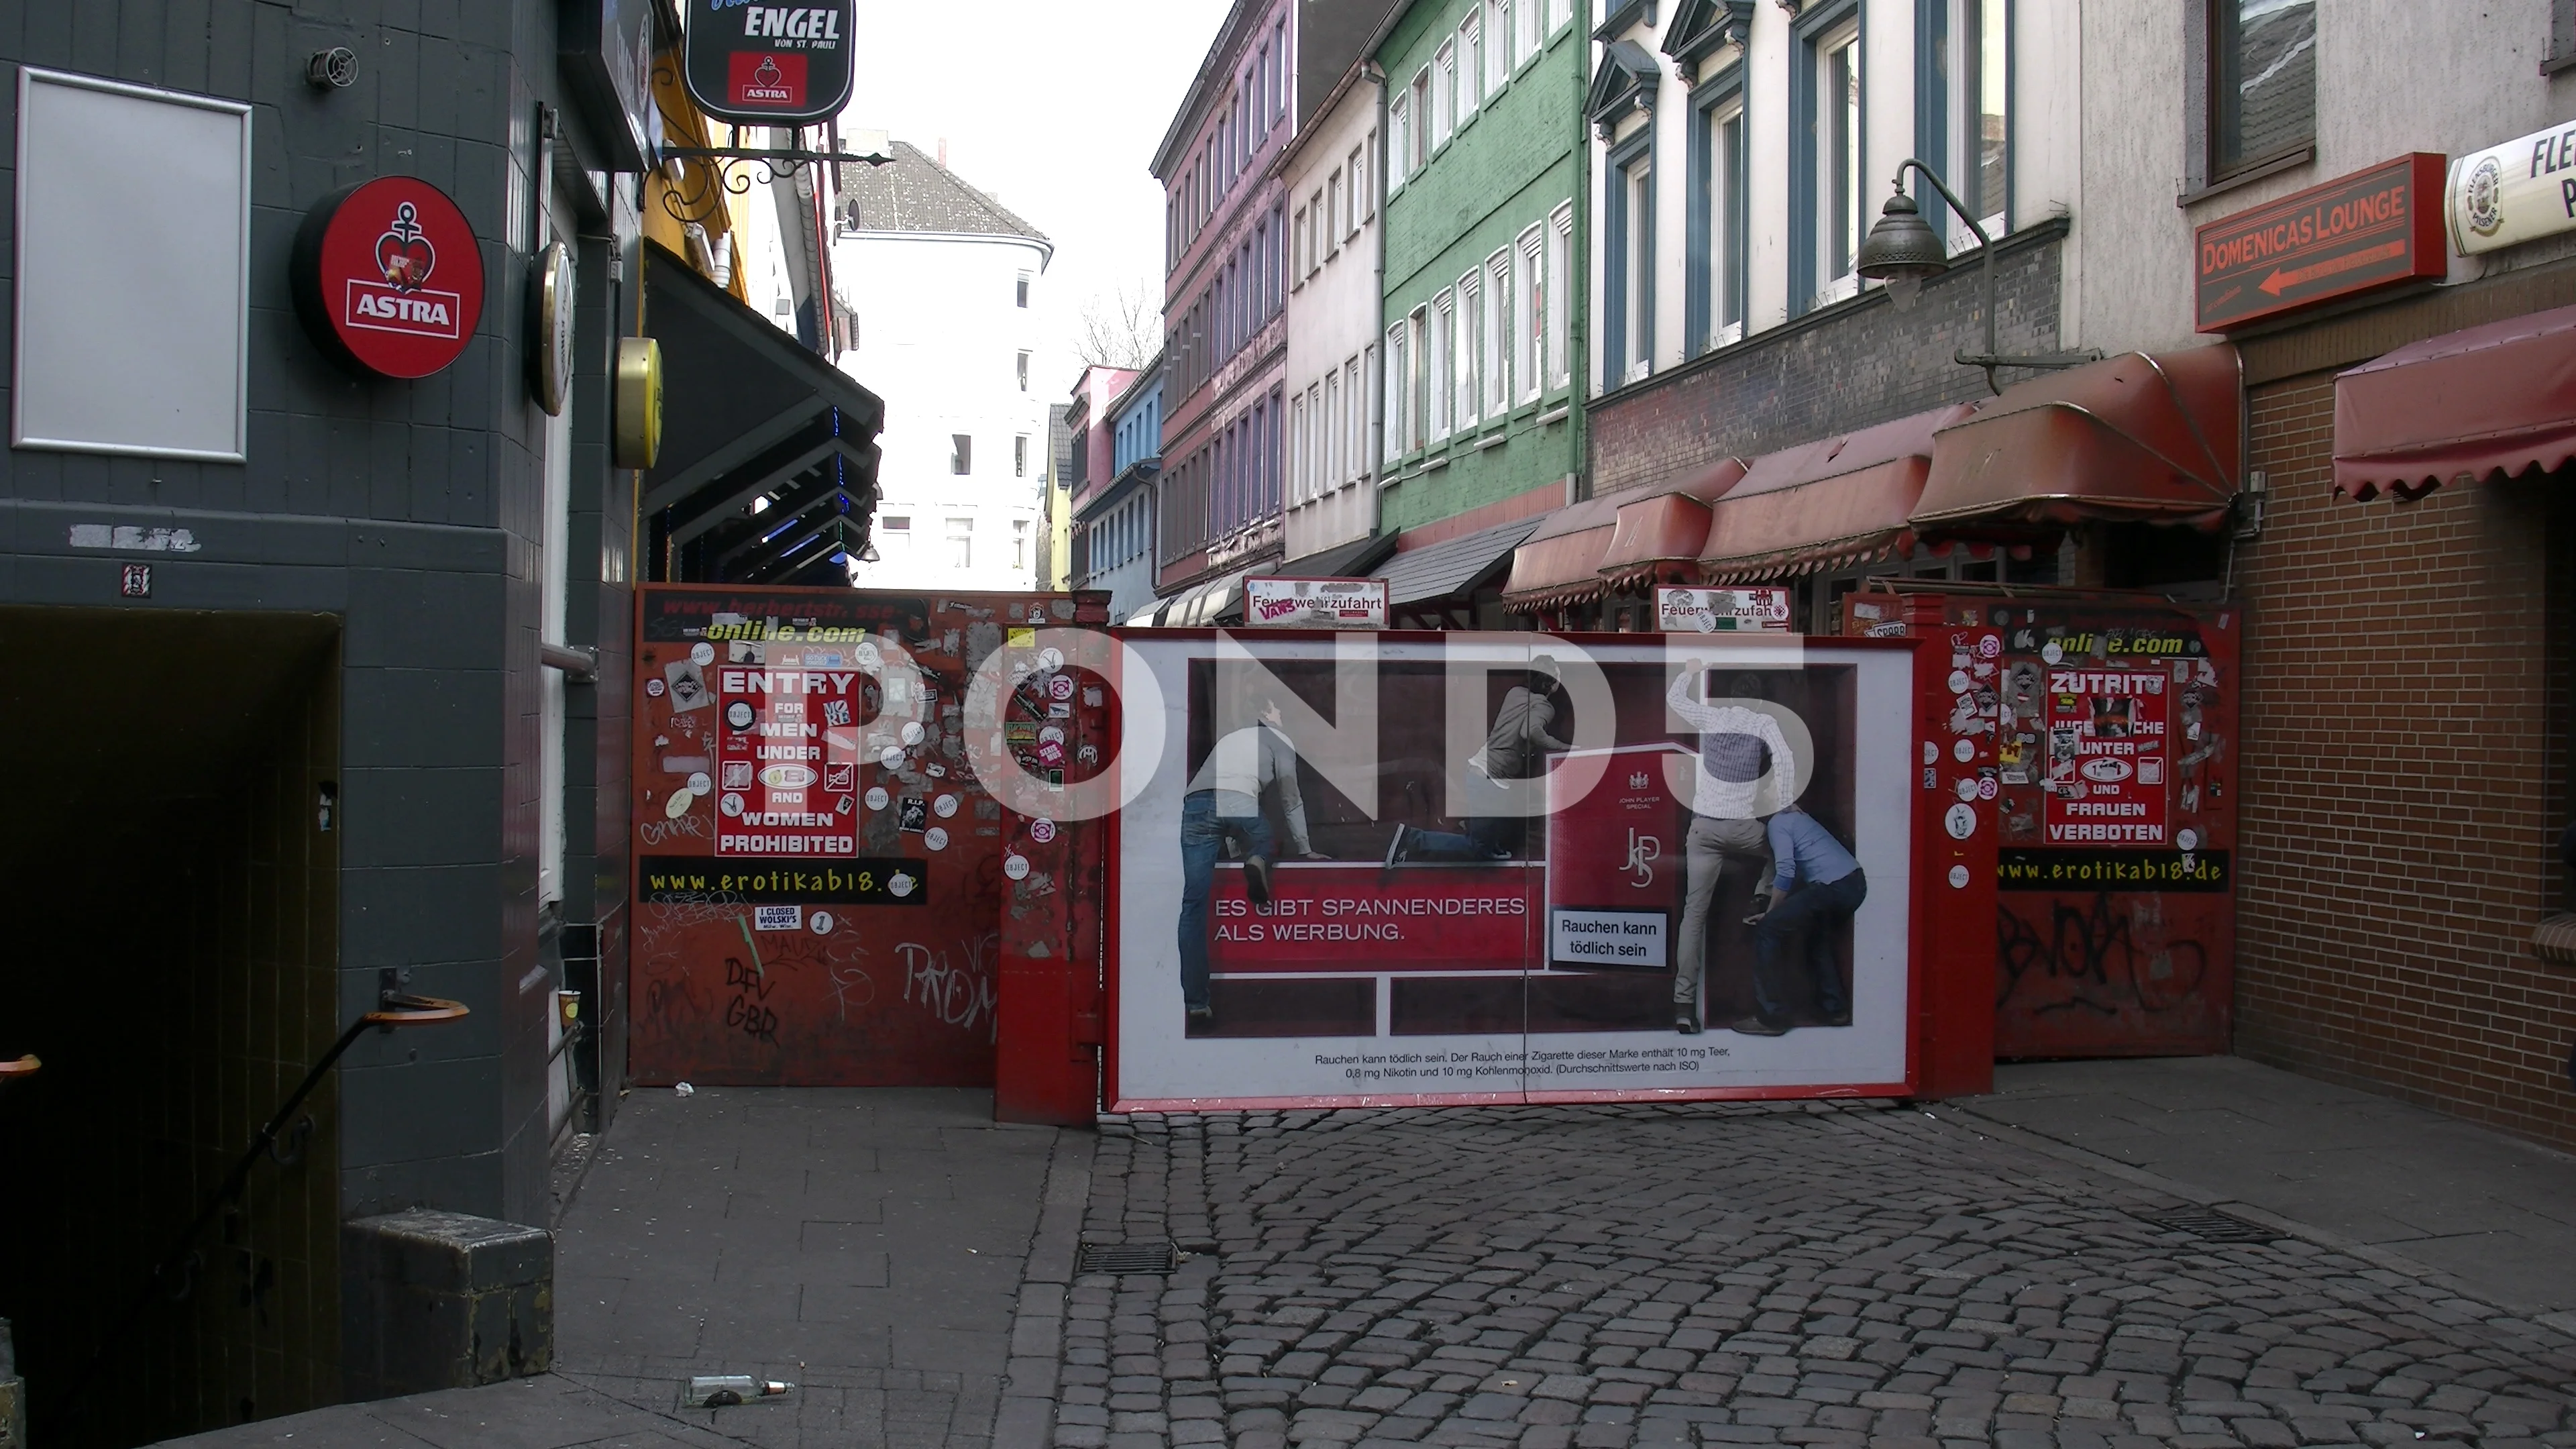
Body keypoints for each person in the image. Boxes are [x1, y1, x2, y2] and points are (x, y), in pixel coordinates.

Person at [1178, 695, 1328, 1028]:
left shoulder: (1231, 739)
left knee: (1193, 907)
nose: (1283, 712)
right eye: (1278, 707)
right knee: (1264, 838)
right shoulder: (1278, 738)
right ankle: (1259, 858)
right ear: (1265, 714)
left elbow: (1221, 807)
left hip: (1196, 804)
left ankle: (1197, 1003)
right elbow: (1290, 798)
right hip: (1238, 801)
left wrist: (1232, 851)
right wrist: (1305, 848)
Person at [1665, 666, 1797, 1034]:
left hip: (1703, 828)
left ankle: (1683, 1006)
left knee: (1694, 915)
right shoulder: (1764, 722)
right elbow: (1785, 760)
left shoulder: (1712, 716)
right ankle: (1759, 898)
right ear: (1757, 699)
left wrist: (1689, 672)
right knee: (1780, 852)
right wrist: (1785, 802)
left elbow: (1675, 700)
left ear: (1733, 697)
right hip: (1743, 827)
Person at [1382, 657, 1569, 877]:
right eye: (1558, 677)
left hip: (1482, 771)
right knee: (1477, 848)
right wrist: (1567, 747)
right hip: (1491, 778)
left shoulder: (1515, 693)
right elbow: (1530, 732)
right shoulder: (1545, 707)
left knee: (1496, 828)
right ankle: (1411, 838)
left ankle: (1490, 845)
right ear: (1551, 684)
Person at [1739, 804, 1865, 1036]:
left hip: (1832, 887)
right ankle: (1835, 1010)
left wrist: (1770, 915)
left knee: (1768, 930)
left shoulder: (1779, 822)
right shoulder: (1798, 818)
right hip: (1854, 883)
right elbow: (1798, 868)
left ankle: (1772, 1018)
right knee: (1817, 939)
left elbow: (1786, 872)